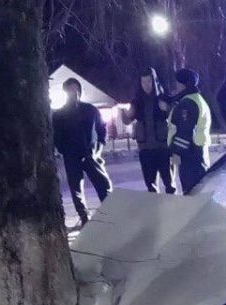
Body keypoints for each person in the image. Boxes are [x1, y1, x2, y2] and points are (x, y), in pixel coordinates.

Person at [52, 77, 111, 225]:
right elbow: (57, 136)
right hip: (72, 155)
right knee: (76, 188)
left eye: (77, 89)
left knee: (103, 184)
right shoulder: (59, 115)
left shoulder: (90, 110)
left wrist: (99, 145)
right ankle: (84, 216)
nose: (74, 92)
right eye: (71, 90)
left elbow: (102, 128)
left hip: (91, 153)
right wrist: (63, 150)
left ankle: (109, 213)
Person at [122, 68, 173, 193]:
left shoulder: (164, 98)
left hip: (163, 148)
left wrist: (168, 108)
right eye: (143, 82)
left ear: (154, 81)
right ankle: (155, 211)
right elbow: (127, 121)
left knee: (170, 185)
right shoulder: (136, 102)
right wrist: (127, 114)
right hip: (145, 150)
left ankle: (174, 209)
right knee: (150, 186)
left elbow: (175, 117)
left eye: (149, 81)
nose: (146, 85)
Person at [168, 68, 212, 193]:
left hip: (190, 156)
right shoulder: (197, 99)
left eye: (177, 83)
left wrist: (177, 152)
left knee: (192, 192)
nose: (176, 87)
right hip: (198, 153)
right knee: (200, 190)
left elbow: (185, 131)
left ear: (183, 84)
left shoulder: (187, 103)